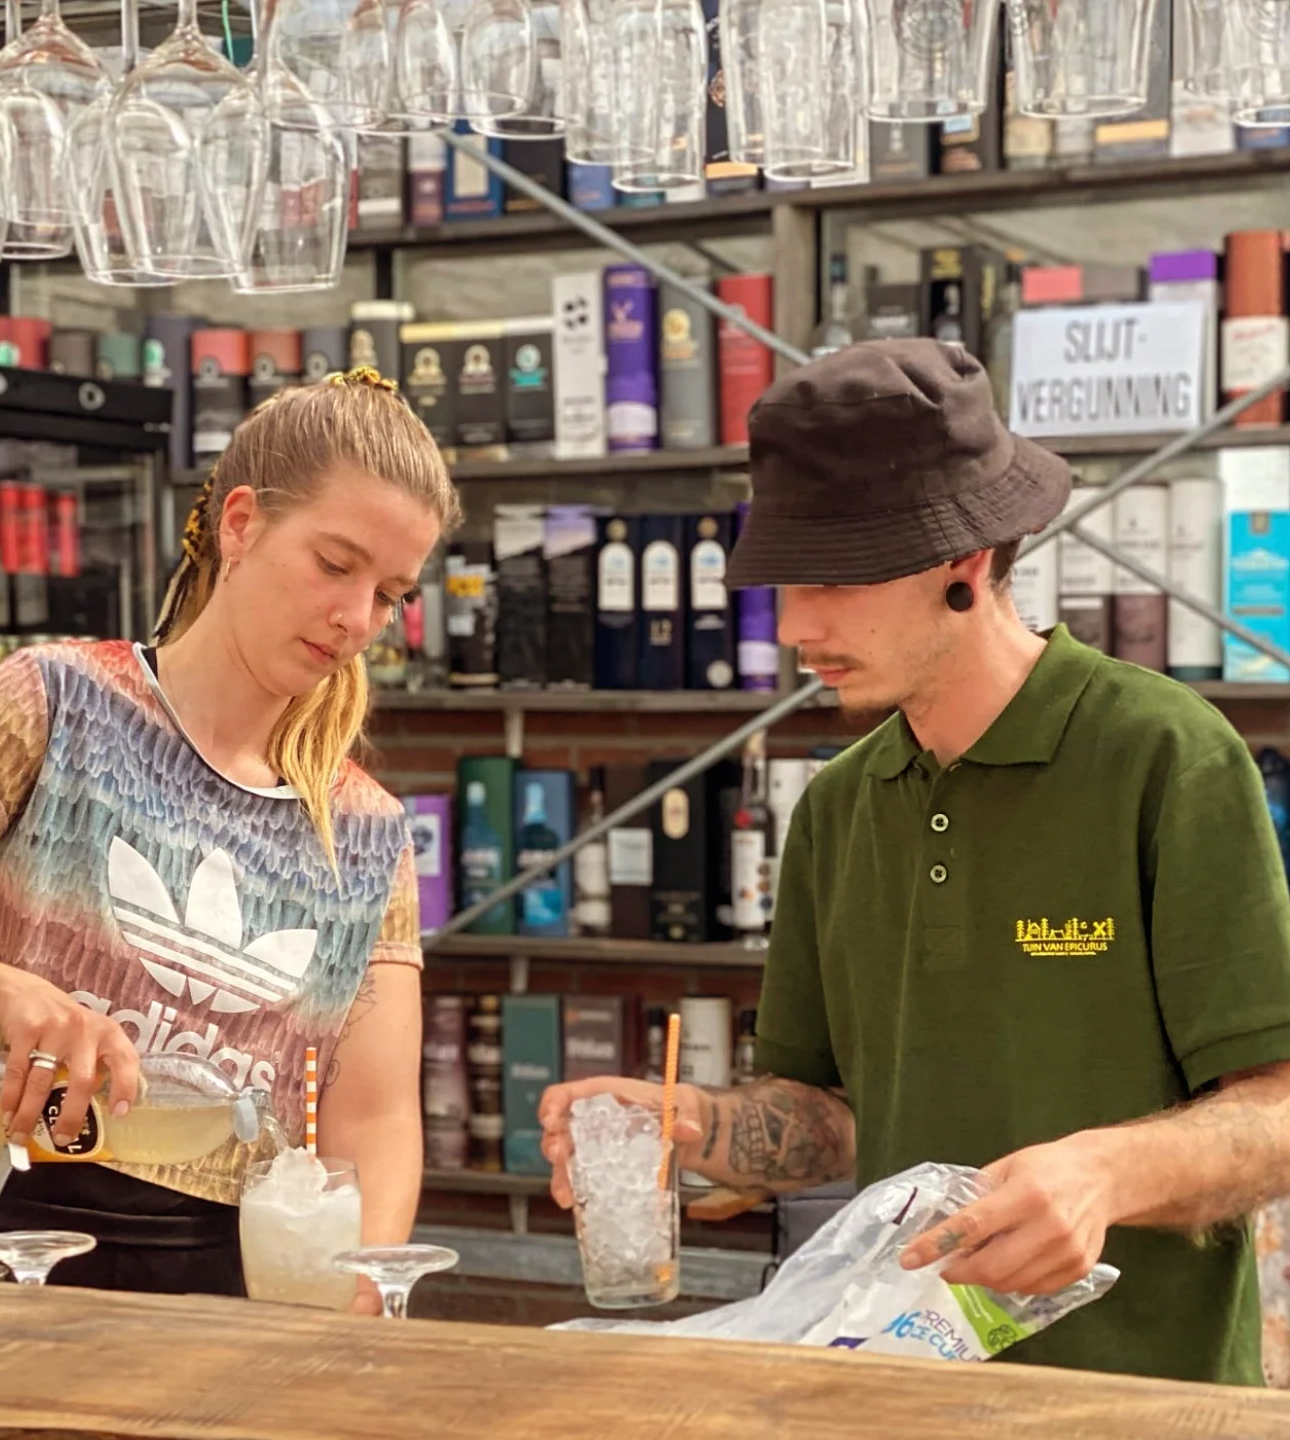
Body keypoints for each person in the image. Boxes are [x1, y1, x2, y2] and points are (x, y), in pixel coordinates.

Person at [540, 338, 1290, 1386]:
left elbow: (1277, 1111)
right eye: (785, 580)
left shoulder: (1166, 755)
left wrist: (1105, 1173)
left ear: (964, 564)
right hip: (898, 1392)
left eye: (833, 576)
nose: (794, 626)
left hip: (1141, 1405)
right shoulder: (837, 806)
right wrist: (695, 1124)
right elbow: (836, 1123)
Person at [0, 366, 460, 1299]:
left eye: (391, 594)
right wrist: (12, 995)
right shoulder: (56, 703)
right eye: (336, 565)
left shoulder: (366, 833)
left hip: (227, 1285)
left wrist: (359, 1313)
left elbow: (372, 1126)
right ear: (241, 524)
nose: (356, 619)